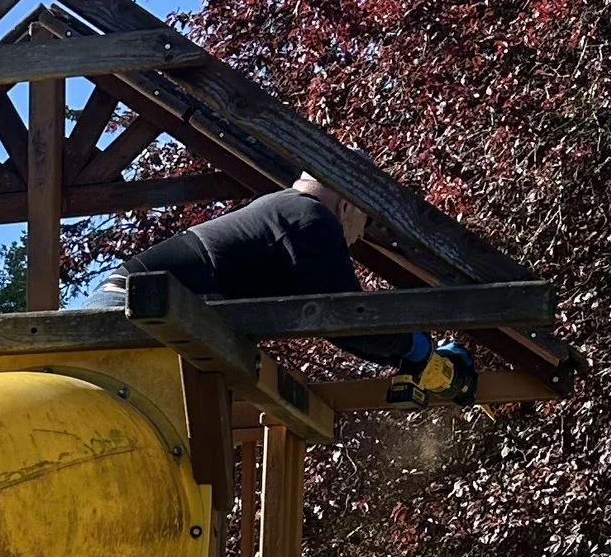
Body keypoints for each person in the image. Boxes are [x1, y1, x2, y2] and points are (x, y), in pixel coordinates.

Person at [79, 171, 477, 399]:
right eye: (365, 222)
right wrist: (418, 349)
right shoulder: (309, 218)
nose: (358, 237)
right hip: (135, 320)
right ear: (349, 205)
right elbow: (346, 319)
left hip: (125, 312)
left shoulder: (279, 212)